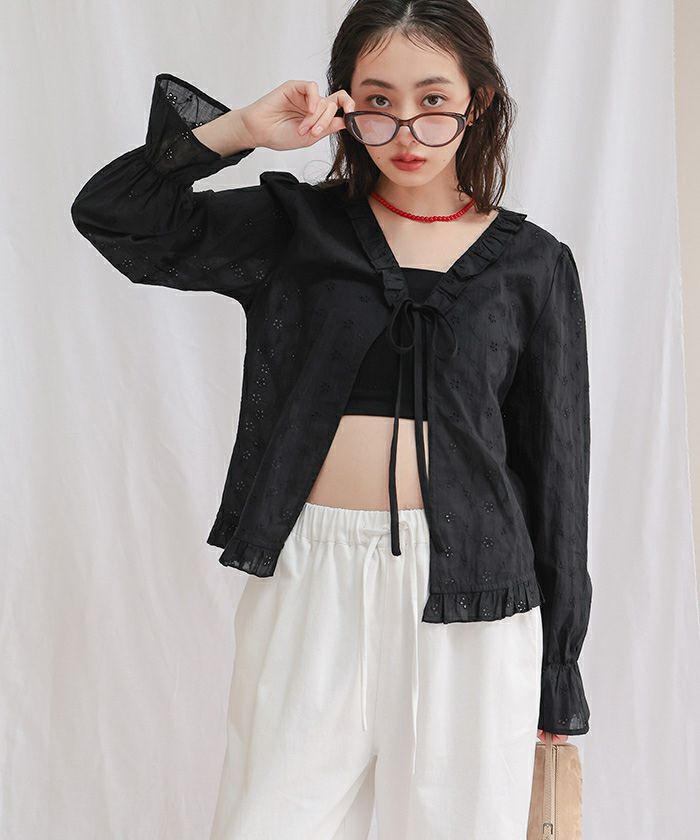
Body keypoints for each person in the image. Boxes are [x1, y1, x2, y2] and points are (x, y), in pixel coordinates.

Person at [71, 1, 592, 837]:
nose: (406, 130)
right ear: (344, 104)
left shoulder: (534, 265)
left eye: (433, 99)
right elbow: (116, 215)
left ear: (480, 101)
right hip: (312, 571)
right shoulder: (297, 227)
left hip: (477, 593)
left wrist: (558, 671)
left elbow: (558, 470)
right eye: (378, 101)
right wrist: (242, 130)